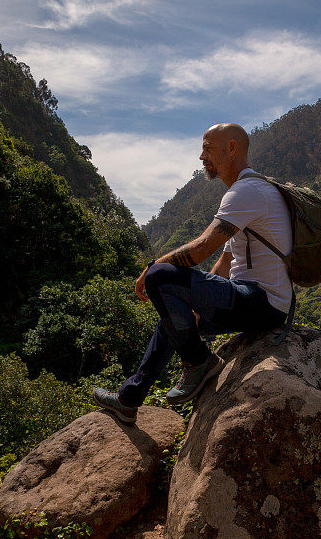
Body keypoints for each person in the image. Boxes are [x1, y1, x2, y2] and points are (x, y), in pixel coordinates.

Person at [92, 122, 292, 425]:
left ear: (232, 148)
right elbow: (223, 264)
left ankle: (199, 361)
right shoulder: (248, 192)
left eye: (208, 148)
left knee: (161, 276)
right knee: (174, 319)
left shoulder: (247, 192)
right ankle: (129, 399)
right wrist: (196, 305)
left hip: (263, 303)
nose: (202, 156)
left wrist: (152, 268)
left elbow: (199, 251)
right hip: (252, 300)